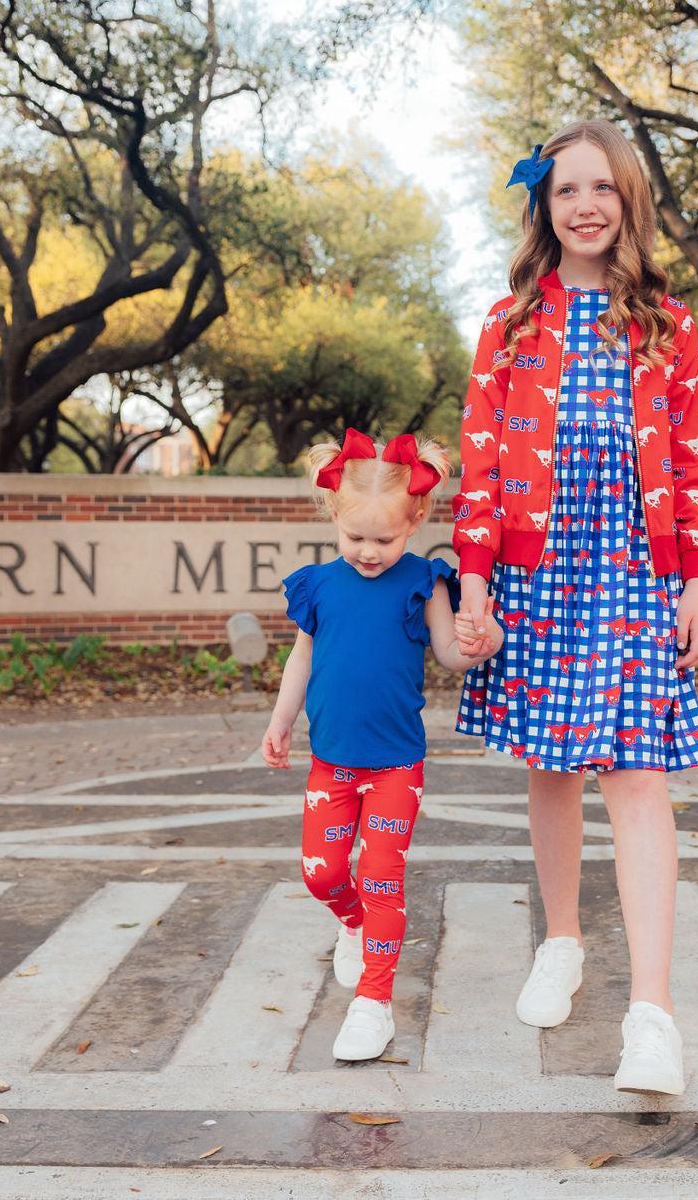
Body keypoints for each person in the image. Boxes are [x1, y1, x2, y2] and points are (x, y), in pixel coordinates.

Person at [453, 118, 698, 1094]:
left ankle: (651, 1014)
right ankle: (561, 937)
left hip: (636, 569)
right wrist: (475, 578)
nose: (586, 205)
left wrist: (696, 575)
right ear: (546, 205)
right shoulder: (511, 322)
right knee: (553, 765)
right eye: (566, 189)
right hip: (538, 567)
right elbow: (479, 458)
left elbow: (693, 462)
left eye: (602, 187)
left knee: (639, 774)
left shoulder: (669, 324)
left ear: (627, 201)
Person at [262, 427, 502, 1063]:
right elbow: (301, 659)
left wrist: (487, 642)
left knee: (381, 878)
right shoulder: (319, 586)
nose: (369, 551)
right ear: (334, 518)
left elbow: (450, 654)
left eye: (384, 539)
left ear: (416, 520)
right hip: (331, 762)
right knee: (322, 875)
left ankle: (374, 1003)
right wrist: (281, 720)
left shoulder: (425, 583)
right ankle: (350, 923)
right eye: (356, 537)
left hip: (398, 763)